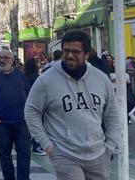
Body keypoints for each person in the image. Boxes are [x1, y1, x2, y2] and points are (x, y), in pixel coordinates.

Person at [24, 30, 120, 180]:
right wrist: (47, 145)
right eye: (66, 51)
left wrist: (110, 145)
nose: (69, 55)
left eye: (75, 52)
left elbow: (112, 113)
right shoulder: (46, 80)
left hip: (98, 153)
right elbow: (31, 111)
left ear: (86, 54)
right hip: (65, 153)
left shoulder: (101, 79)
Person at [0, 49, 30, 180]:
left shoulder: (20, 75)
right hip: (1, 124)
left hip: (22, 122)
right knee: (5, 155)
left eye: (5, 57)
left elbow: (29, 94)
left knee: (24, 154)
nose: (2, 60)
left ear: (12, 60)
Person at [24, 57, 45, 156]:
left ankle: (28, 144)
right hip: (38, 104)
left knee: (29, 126)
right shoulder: (37, 77)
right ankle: (36, 146)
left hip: (27, 104)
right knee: (38, 126)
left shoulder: (25, 77)